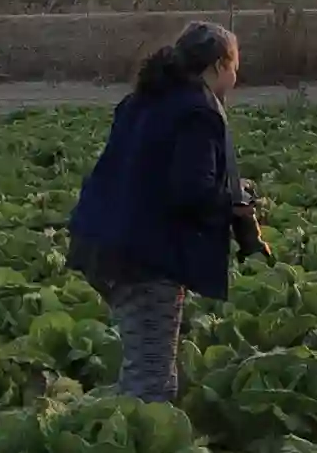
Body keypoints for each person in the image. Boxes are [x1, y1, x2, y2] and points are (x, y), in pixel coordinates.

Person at [68, 21, 265, 402]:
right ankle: (126, 445)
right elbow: (190, 192)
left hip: (99, 244)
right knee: (153, 380)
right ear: (218, 66)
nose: (235, 77)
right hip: (143, 258)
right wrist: (235, 205)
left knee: (142, 360)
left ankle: (110, 428)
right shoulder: (198, 111)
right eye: (235, 68)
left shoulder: (144, 98)